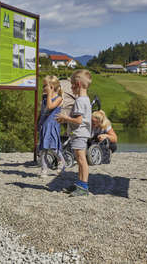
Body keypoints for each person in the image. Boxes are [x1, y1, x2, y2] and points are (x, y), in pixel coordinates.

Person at [56, 69, 92, 197]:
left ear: (77, 85)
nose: (70, 88)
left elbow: (78, 120)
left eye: (71, 85)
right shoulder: (85, 99)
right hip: (80, 133)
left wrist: (66, 118)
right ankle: (80, 184)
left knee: (81, 160)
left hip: (79, 133)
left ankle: (83, 186)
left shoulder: (80, 101)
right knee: (79, 159)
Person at [37, 76, 66, 177]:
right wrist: (38, 122)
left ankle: (62, 162)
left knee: (53, 148)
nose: (43, 87)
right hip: (44, 125)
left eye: (45, 85)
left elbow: (50, 107)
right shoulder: (44, 97)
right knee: (43, 149)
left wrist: (49, 94)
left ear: (52, 87)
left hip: (52, 126)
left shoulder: (58, 98)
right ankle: (44, 169)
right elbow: (42, 111)